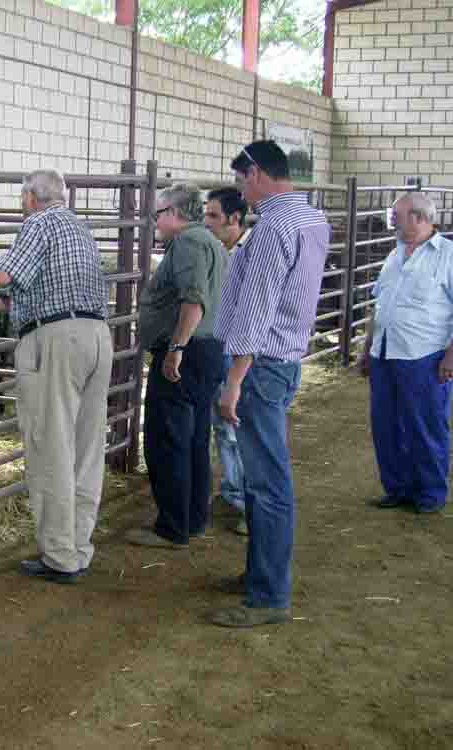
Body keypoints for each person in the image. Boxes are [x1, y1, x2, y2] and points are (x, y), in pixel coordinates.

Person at [0, 169, 113, 584]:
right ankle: (78, 546)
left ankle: (60, 556)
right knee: (86, 445)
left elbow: (1, 277)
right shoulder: (79, 227)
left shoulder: (37, 224)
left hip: (55, 343)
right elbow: (31, 292)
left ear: (29, 198)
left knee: (50, 444)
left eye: (21, 198)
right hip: (96, 337)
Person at [211, 140, 330, 628]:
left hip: (259, 366)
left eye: (242, 179)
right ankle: (260, 574)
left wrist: (234, 380)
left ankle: (267, 596)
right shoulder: (311, 220)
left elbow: (257, 310)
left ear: (257, 173)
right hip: (283, 359)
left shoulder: (275, 227)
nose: (242, 189)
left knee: (265, 481)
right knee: (266, 478)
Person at [126, 184, 227, 550]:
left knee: (167, 439)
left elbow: (193, 299)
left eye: (157, 214)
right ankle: (192, 519)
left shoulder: (188, 243)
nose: (155, 221)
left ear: (174, 213)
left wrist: (176, 348)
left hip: (188, 352)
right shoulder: (211, 241)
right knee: (195, 438)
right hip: (208, 351)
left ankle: (172, 527)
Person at [357, 192, 453, 515]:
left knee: (425, 424)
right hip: (385, 353)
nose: (392, 220)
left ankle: (430, 492)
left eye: (396, 215)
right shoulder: (394, 254)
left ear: (419, 218)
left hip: (425, 356)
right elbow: (379, 305)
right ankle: (397, 487)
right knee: (386, 424)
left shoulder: (448, 255)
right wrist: (367, 348)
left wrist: (451, 357)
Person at [203, 187, 251, 535]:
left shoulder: (249, 255)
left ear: (235, 219)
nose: (206, 223)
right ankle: (234, 490)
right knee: (224, 424)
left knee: (239, 426)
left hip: (244, 354)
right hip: (225, 350)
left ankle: (251, 505)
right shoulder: (225, 251)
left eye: (213, 216)